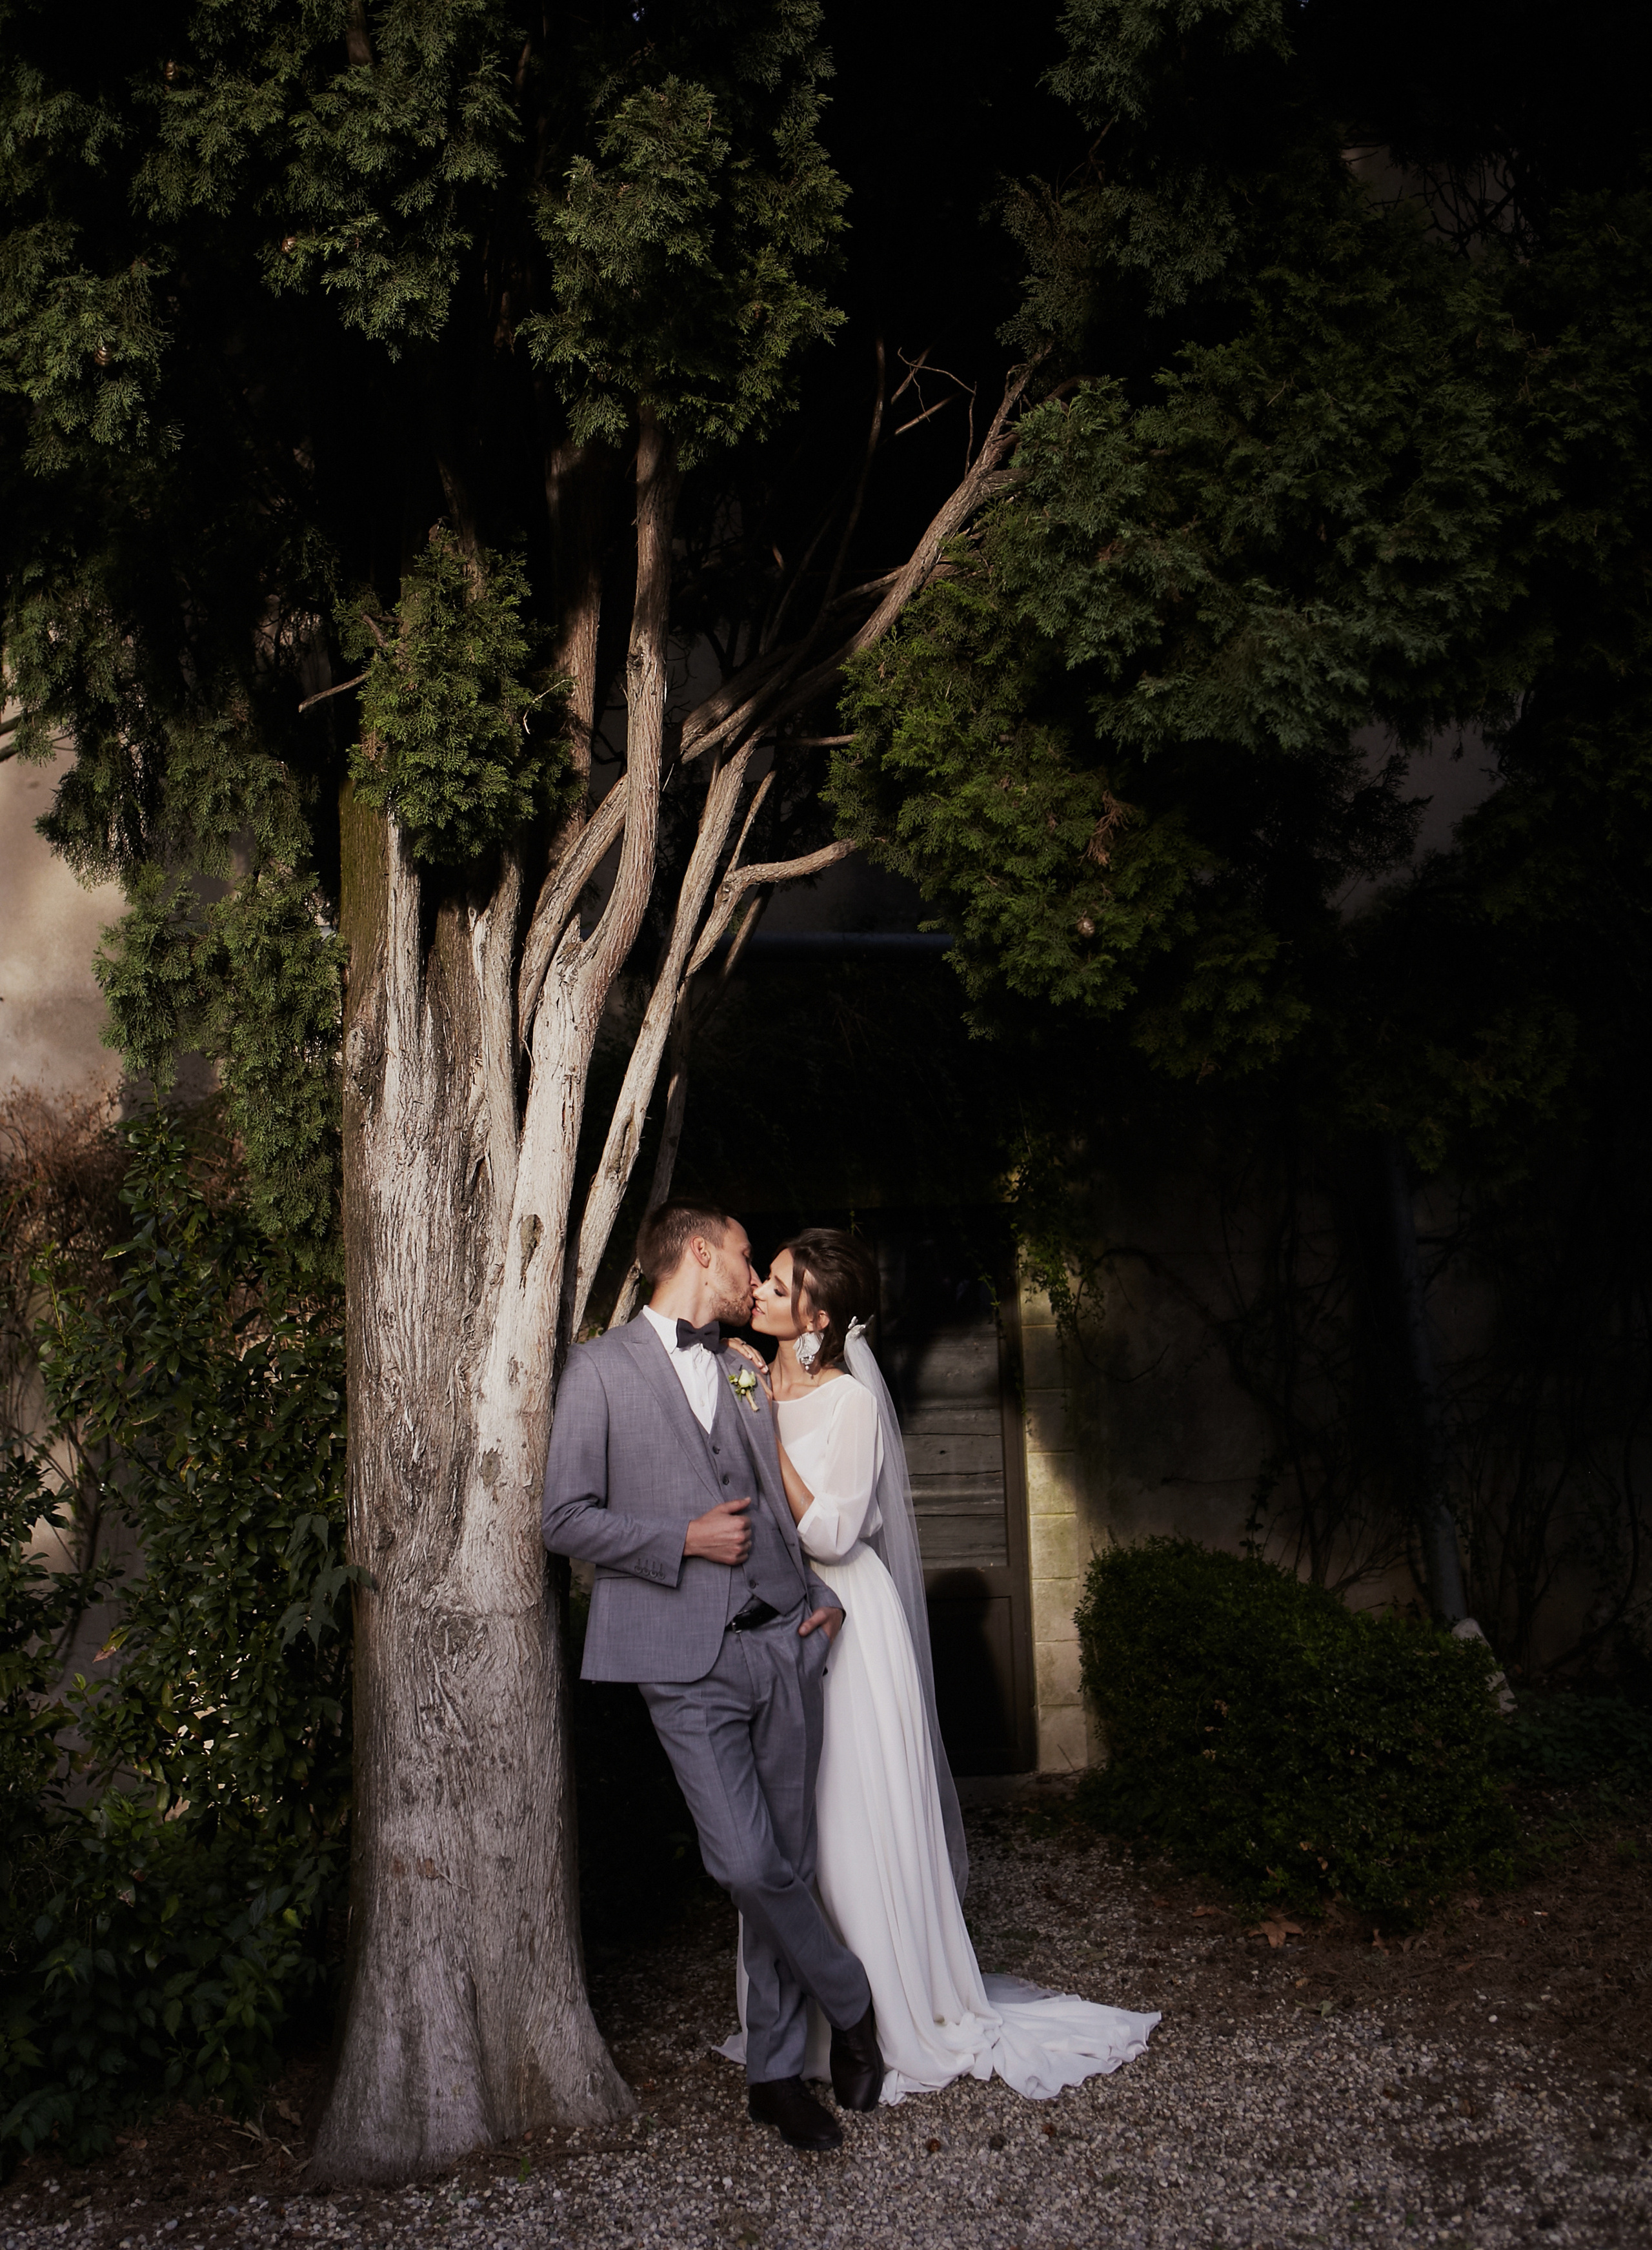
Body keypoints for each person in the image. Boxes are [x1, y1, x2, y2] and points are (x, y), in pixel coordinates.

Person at [719, 1227, 1160, 2103]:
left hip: (847, 1619)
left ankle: (885, 2014)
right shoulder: (750, 1378)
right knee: (788, 1821)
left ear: (817, 1314)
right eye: (764, 1278)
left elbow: (835, 1531)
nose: (760, 1291)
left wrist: (767, 1436)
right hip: (777, 1622)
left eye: (777, 1283)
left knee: (851, 1814)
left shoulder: (844, 1400)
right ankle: (799, 2022)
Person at [541, 1200, 883, 2154]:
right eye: (742, 1256)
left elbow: (780, 1506)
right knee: (744, 1862)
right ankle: (849, 1996)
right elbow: (563, 1516)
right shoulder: (596, 1370)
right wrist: (678, 1538)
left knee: (790, 1858)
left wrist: (824, 1592)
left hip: (784, 1642)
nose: (749, 1275)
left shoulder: (742, 1370)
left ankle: (775, 2075)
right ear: (701, 1253)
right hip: (680, 1662)